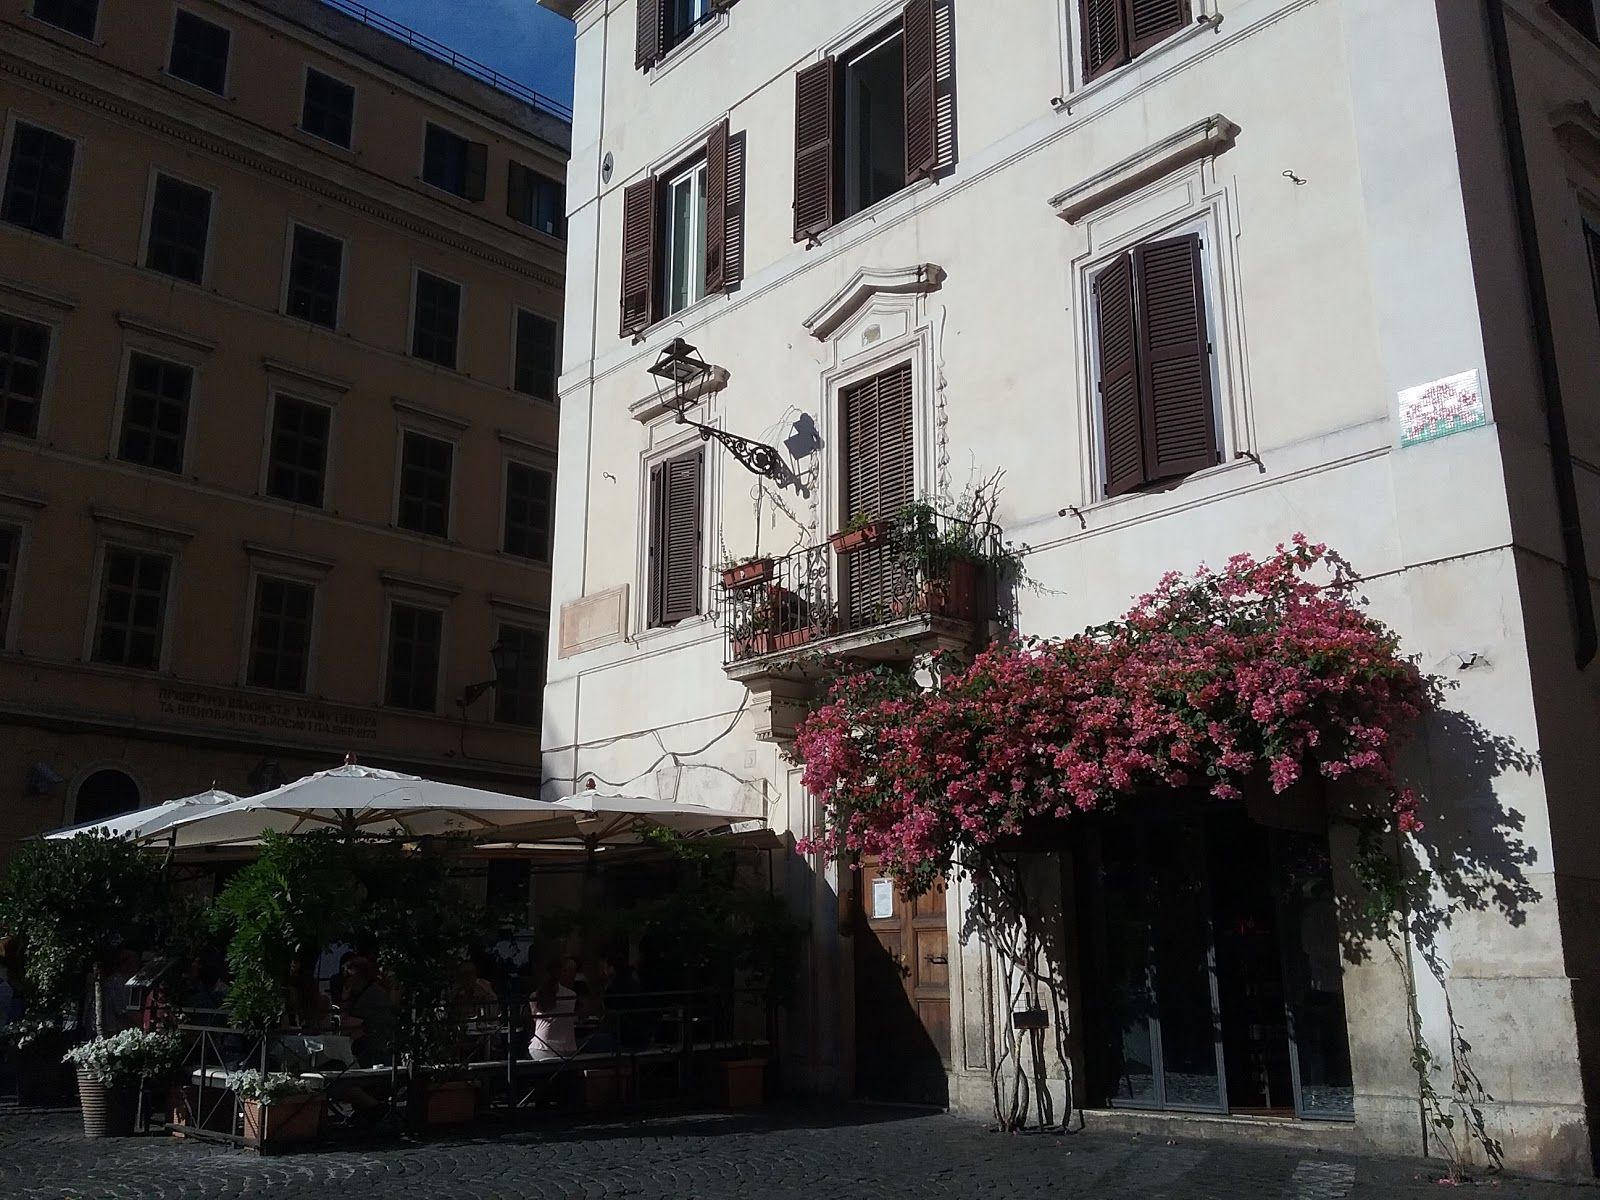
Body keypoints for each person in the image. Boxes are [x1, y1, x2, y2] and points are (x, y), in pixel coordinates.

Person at [339, 956, 396, 1066]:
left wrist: (345, 999)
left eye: (350, 976)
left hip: (375, 1046)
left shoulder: (372, 995)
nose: (347, 980)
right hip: (369, 1041)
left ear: (361, 976)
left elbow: (347, 1022)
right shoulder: (360, 993)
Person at [527, 962, 576, 1061]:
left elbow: (535, 1019)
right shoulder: (572, 995)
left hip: (540, 1047)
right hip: (566, 1048)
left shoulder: (534, 996)